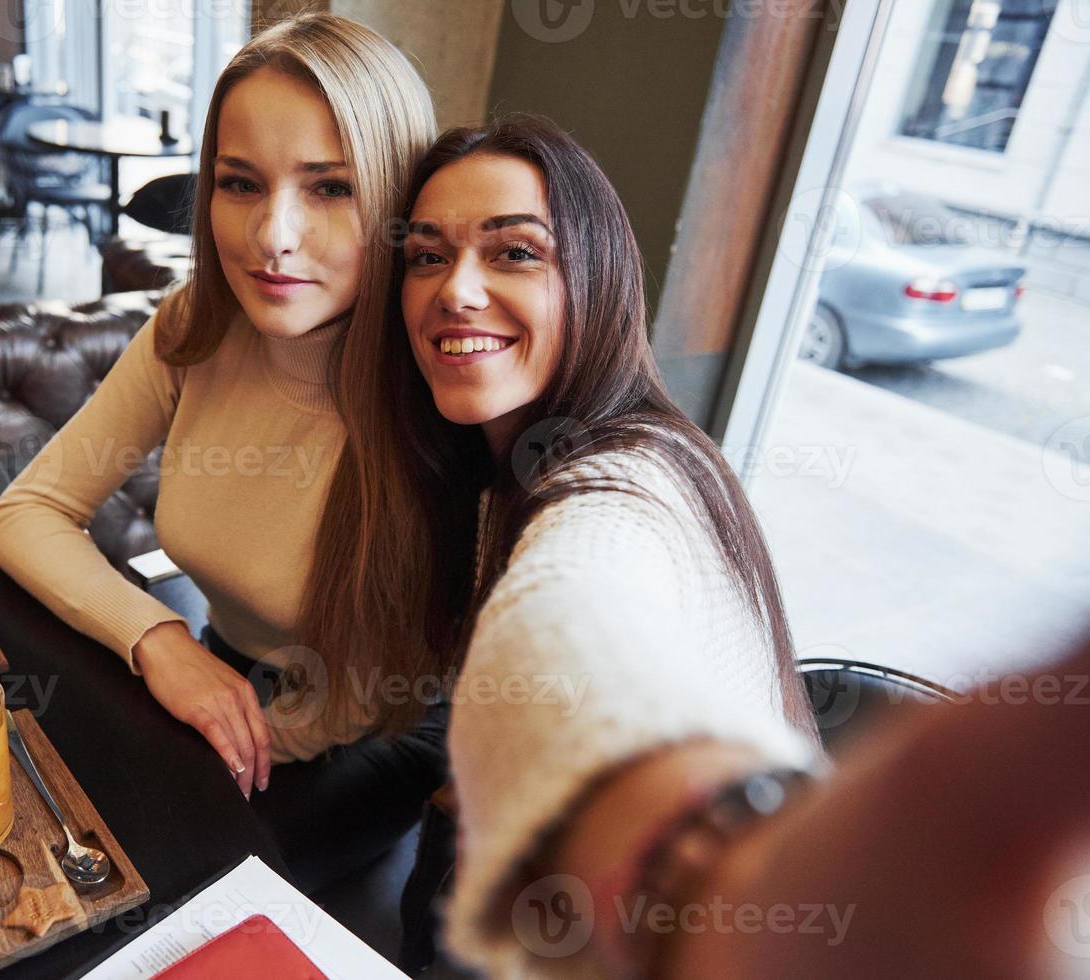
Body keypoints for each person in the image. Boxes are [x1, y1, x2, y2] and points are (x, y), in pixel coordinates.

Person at [367, 113, 1090, 978]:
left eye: (514, 252)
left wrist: (716, 876)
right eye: (426, 256)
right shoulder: (493, 468)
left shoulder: (629, 481)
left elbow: (572, 612)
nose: (455, 290)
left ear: (596, 280)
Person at [0, 13, 446, 896]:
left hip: (371, 730)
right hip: (223, 670)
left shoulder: (438, 387)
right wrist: (157, 639)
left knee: (128, 879)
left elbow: (361, 697)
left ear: (396, 199)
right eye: (241, 183)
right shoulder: (197, 323)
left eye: (330, 188)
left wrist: (187, 750)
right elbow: (26, 512)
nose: (272, 236)